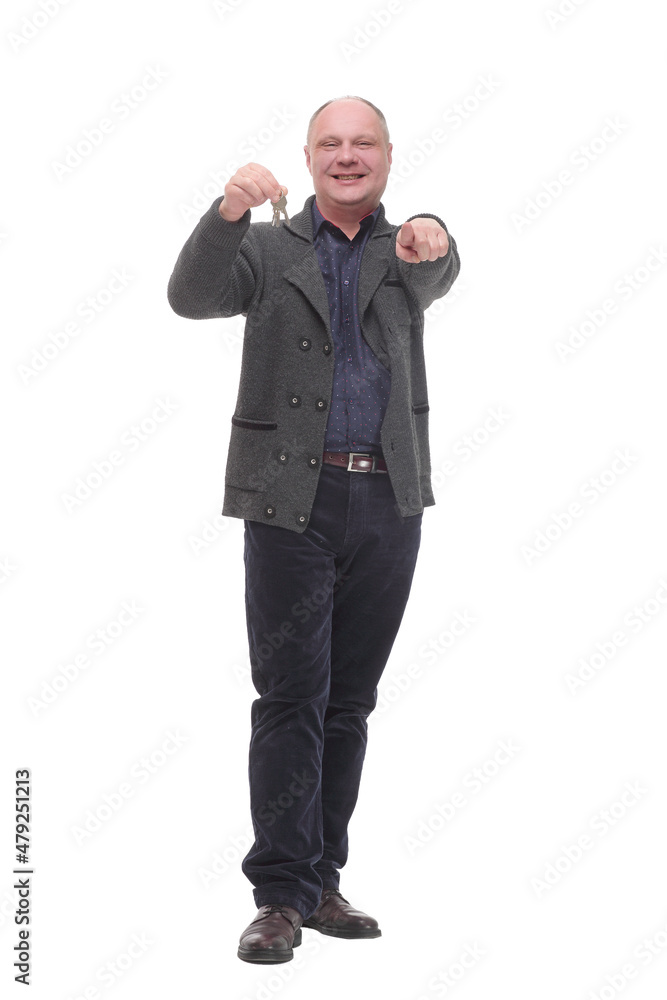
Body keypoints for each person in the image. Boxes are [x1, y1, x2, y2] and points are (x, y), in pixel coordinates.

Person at [167, 95, 461, 965]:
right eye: (329, 143)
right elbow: (191, 297)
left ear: (387, 156)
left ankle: (321, 881)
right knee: (291, 696)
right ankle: (279, 895)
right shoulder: (265, 248)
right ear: (307, 159)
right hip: (289, 498)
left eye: (362, 143)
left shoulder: (407, 247)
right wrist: (227, 211)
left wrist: (436, 229)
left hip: (389, 500)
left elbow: (438, 270)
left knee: (349, 702)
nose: (346, 155)